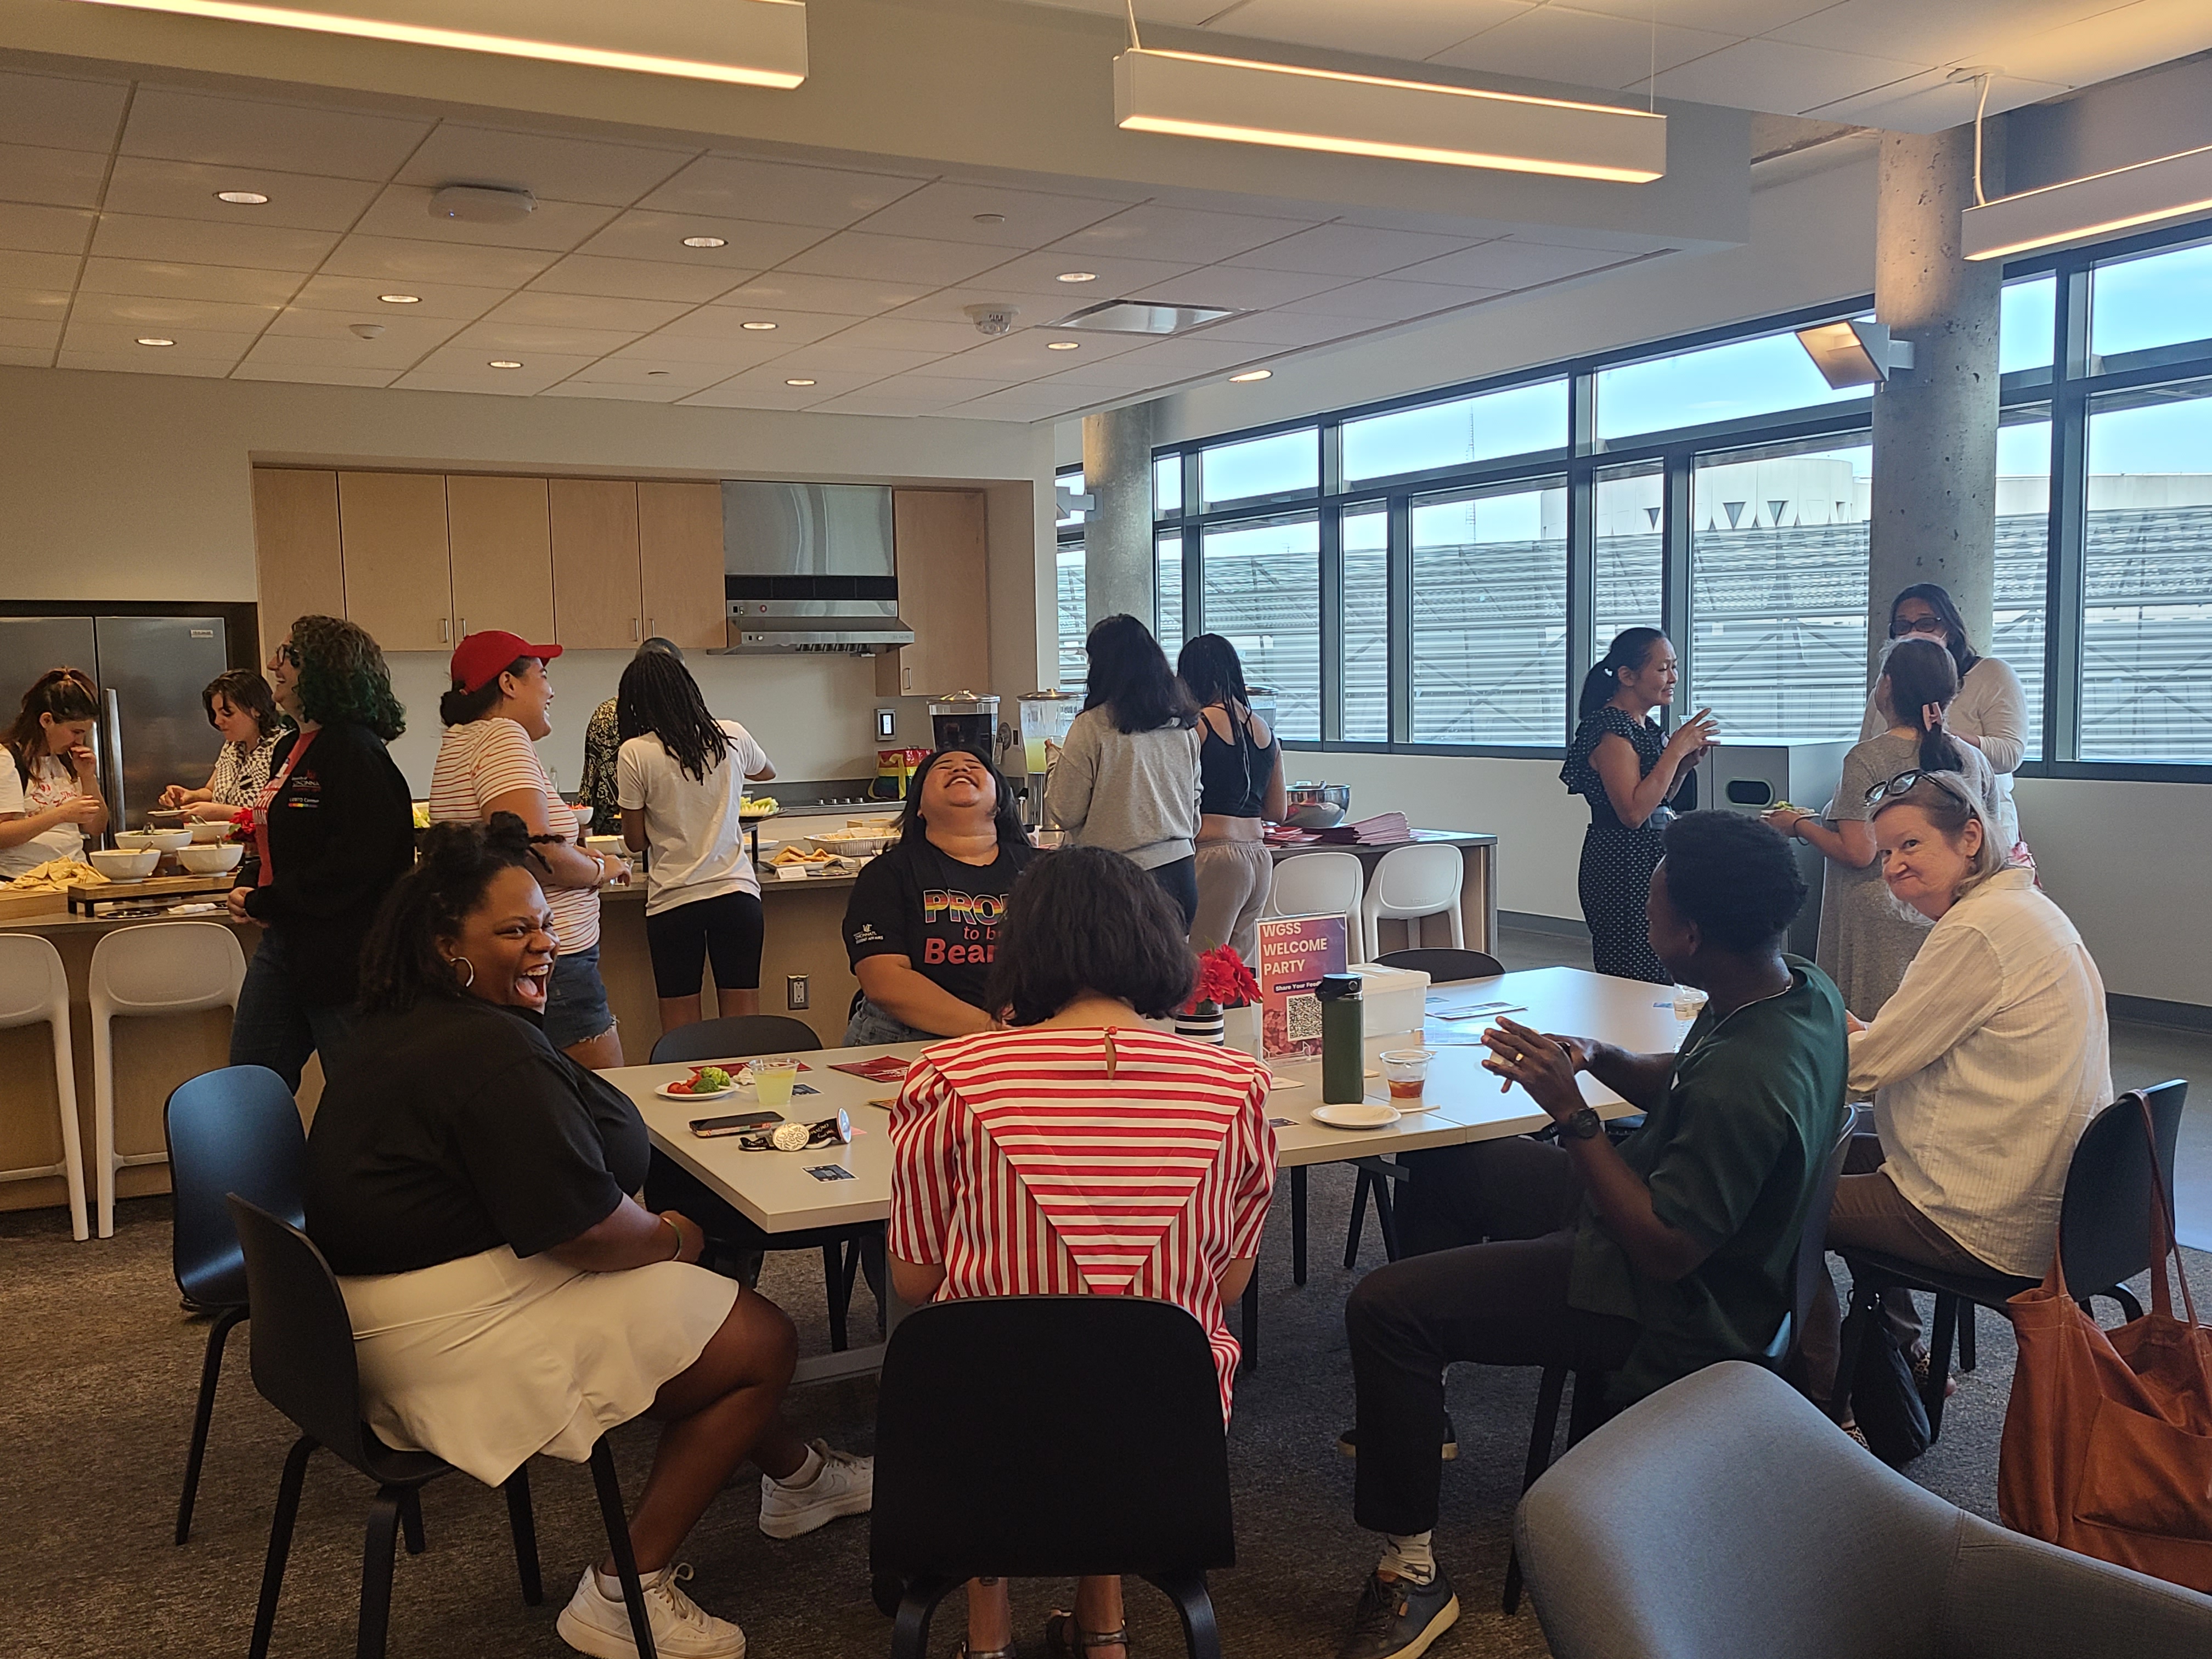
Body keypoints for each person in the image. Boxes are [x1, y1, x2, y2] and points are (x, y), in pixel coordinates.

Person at [306, 817, 871, 1659]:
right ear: (441, 943)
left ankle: (796, 1480)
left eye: (542, 923)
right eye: (513, 930)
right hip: (441, 1330)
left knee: (711, 1321)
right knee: (756, 1337)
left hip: (378, 1307)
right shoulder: (484, 1054)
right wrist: (678, 1238)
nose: (543, 945)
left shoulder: (413, 1021)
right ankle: (624, 1590)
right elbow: (591, 1233)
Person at [1337, 812, 1846, 1659]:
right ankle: (1415, 1407)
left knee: (1384, 1308)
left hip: (1667, 1300)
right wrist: (1595, 1055)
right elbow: (1683, 1081)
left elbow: (1662, 1250)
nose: (1644, 915)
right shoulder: (1794, 991)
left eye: (1653, 904)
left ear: (1687, 933)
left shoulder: (1750, 1082)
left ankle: (1412, 1574)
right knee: (1452, 1166)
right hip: (1670, 1220)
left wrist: (1571, 1116)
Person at [889, 846, 1277, 1659]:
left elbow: (915, 1280)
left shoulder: (947, 1078)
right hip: (1167, 1435)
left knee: (1002, 1342)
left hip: (985, 1428)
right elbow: (1231, 1282)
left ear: (1021, 952)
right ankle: (1105, 1633)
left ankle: (986, 1637)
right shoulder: (1234, 1086)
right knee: (1120, 1338)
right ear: (1160, 947)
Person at [1801, 772, 2110, 1417]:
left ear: (1971, 836)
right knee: (1847, 1151)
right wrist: (1869, 1036)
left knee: (1778, 1198)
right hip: (2054, 1198)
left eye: (1910, 844)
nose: (1893, 866)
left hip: (1980, 1212)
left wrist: (1773, 1051)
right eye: (1885, 853)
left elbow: (1866, 1069)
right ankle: (1903, 1355)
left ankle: (1827, 1399)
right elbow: (1909, 1039)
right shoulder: (2024, 908)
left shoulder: (1976, 932)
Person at [227, 617, 413, 1093]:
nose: (272, 664)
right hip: (287, 944)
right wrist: (253, 879)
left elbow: (357, 863)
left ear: (326, 668)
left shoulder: (355, 752)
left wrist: (268, 901)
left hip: (345, 955)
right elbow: (289, 837)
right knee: (251, 1086)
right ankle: (258, 1170)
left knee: (363, 1097)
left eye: (287, 655)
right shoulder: (290, 747)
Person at [431, 630, 631, 1070]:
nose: (551, 690)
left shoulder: (461, 741)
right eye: (542, 675)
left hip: (501, 955)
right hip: (547, 961)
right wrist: (600, 867)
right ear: (508, 684)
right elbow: (534, 851)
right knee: (605, 1107)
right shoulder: (502, 737)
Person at [1766, 637, 1996, 1018]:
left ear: (1886, 686)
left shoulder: (1868, 757)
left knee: (1875, 1031)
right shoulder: (1970, 757)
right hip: (1945, 907)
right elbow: (1986, 835)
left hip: (1880, 917)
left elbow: (1859, 853)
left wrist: (1799, 825)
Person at [616, 649, 775, 1033]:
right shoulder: (732, 734)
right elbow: (767, 773)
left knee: (681, 1028)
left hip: (674, 899)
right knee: (742, 1022)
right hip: (736, 894)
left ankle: (691, 1091)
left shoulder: (635, 753)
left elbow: (635, 842)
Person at [841, 746, 1038, 1045]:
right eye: (943, 767)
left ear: (999, 802)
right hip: (906, 1038)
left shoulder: (1044, 871)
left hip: (1025, 1032)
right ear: (919, 806)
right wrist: (989, 1028)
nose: (960, 769)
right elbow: (884, 981)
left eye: (974, 766)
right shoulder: (887, 873)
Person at [1560, 629, 1717, 982]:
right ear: (1627, 677)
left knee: (1666, 968)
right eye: (1663, 669)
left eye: (1674, 667)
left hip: (1652, 855)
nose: (1673, 678)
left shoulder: (1646, 727)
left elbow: (1658, 800)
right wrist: (1674, 751)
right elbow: (1632, 813)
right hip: (1621, 861)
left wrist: (1685, 764)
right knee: (1634, 970)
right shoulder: (1610, 728)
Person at [1047, 614, 1204, 930]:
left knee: (1113, 978)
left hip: (1117, 879)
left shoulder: (1092, 726)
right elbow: (1194, 805)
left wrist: (1055, 763)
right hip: (1181, 873)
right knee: (1167, 978)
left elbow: (1065, 810)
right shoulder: (1181, 726)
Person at [1862, 584, 2028, 850]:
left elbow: (2009, 755)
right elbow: (1866, 752)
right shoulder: (1885, 686)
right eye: (1902, 626)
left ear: (1949, 629)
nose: (1913, 632)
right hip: (1899, 835)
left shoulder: (1991, 674)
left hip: (1971, 830)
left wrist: (1939, 735)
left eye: (1926, 623)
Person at [1178, 633, 1287, 962]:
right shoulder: (1266, 732)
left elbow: (1178, 797)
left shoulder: (1197, 726)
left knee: (1202, 969)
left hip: (1216, 857)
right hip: (1259, 858)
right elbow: (1278, 811)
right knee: (1233, 972)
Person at [0, 668, 107, 881]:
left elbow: (96, 827)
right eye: (75, 732)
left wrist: (88, 777)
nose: (79, 741)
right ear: (46, 721)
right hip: (23, 880)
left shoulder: (66, 760)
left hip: (77, 876)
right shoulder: (7, 759)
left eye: (84, 733)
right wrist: (61, 814)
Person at [582, 637, 684, 827]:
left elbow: (591, 780)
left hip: (603, 822)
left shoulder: (606, 710)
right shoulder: (658, 716)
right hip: (644, 826)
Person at [160, 667, 283, 820]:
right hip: (228, 841)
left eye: (227, 713)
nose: (218, 721)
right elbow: (212, 791)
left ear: (256, 710)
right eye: (215, 713)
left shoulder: (282, 747)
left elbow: (280, 816)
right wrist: (191, 795)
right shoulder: (232, 746)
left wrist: (222, 813)